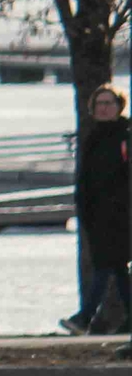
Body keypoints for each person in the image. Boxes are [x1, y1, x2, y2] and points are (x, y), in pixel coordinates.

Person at [65, 85, 130, 334]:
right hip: (97, 216)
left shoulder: (124, 136)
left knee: (106, 265)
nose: (103, 108)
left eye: (108, 103)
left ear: (118, 106)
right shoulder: (93, 137)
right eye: (99, 104)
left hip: (120, 216)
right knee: (118, 269)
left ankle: (84, 317)